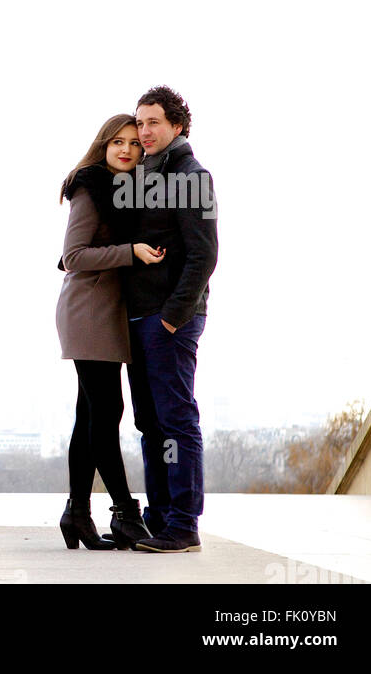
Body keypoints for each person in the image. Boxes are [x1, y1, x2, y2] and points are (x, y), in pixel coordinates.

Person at [56, 114, 166, 551]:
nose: (126, 150)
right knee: (108, 412)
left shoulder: (124, 192)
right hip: (88, 313)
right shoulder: (91, 188)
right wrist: (131, 252)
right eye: (116, 142)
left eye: (134, 144)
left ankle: (77, 514)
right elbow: (73, 256)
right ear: (102, 145)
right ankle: (125, 513)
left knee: (89, 418)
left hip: (105, 313)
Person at [121, 85, 218, 553]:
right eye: (139, 122)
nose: (144, 131)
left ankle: (184, 524)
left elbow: (204, 255)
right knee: (150, 424)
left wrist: (173, 319)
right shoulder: (145, 175)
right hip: (140, 318)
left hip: (168, 320)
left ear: (177, 125)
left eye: (153, 122)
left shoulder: (192, 175)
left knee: (177, 422)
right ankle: (159, 517)